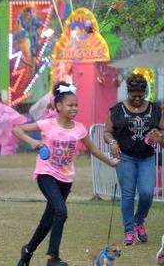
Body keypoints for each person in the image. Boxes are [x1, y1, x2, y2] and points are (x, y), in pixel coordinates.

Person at [13, 82, 119, 266]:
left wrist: (110, 162)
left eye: (76, 105)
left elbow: (93, 149)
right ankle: (53, 258)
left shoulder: (79, 128)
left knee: (48, 220)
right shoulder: (47, 124)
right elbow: (17, 129)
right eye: (70, 105)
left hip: (66, 179)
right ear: (59, 106)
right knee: (61, 212)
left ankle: (27, 252)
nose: (74, 108)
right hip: (46, 174)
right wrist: (31, 141)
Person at [104, 74, 164, 246]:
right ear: (127, 92)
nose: (137, 98)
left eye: (140, 95)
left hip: (146, 157)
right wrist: (113, 142)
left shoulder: (155, 109)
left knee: (146, 193)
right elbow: (107, 132)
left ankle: (139, 221)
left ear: (145, 92)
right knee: (128, 194)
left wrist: (159, 137)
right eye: (133, 95)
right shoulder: (116, 110)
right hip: (125, 157)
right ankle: (129, 230)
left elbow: (163, 132)